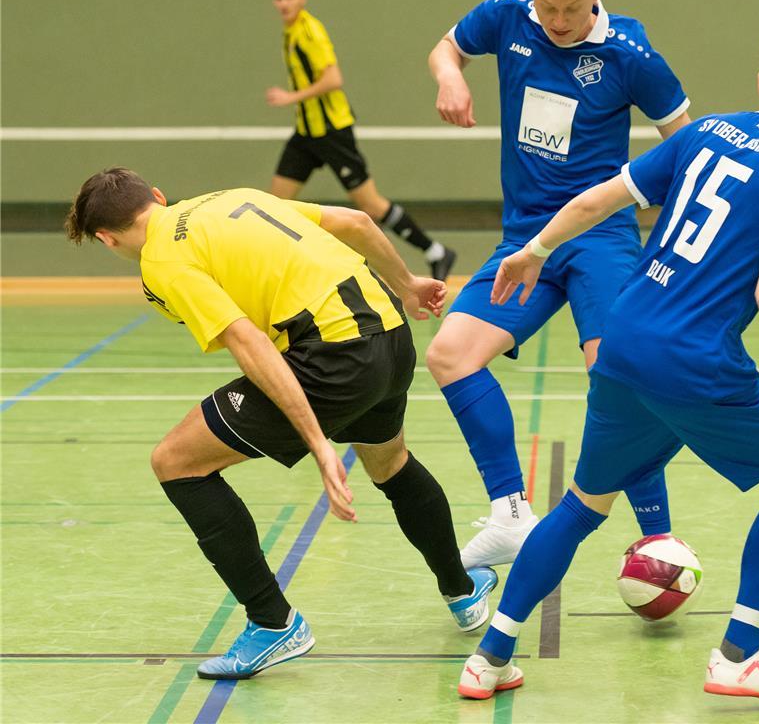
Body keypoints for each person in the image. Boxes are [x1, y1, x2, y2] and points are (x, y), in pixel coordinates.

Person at [457, 26, 759, 701]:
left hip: (624, 338)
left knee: (582, 505)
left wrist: (534, 250)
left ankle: (489, 658)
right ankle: (738, 656)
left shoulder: (706, 130)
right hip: (695, 358)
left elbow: (596, 199)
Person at [63, 169, 497, 681]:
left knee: (175, 461)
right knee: (390, 463)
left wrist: (319, 444)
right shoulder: (229, 194)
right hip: (389, 329)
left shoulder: (161, 262)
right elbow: (356, 221)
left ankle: (273, 623)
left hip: (334, 356)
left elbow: (248, 342)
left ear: (106, 238)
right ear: (157, 196)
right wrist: (408, 284)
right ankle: (462, 592)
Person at [426, 0, 690, 569]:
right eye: (548, 7)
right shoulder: (507, 16)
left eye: (573, 7)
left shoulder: (631, 53)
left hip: (599, 237)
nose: (560, 21)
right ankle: (510, 514)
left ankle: (657, 536)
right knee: (450, 354)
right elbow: (446, 47)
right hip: (526, 242)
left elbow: (686, 145)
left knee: (616, 372)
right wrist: (450, 76)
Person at [266, 0, 456, 281]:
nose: (284, 3)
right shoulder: (290, 31)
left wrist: (290, 97)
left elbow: (333, 79)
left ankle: (436, 251)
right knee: (275, 205)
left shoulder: (310, 32)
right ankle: (282, 273)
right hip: (307, 132)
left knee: (371, 205)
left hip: (332, 132)